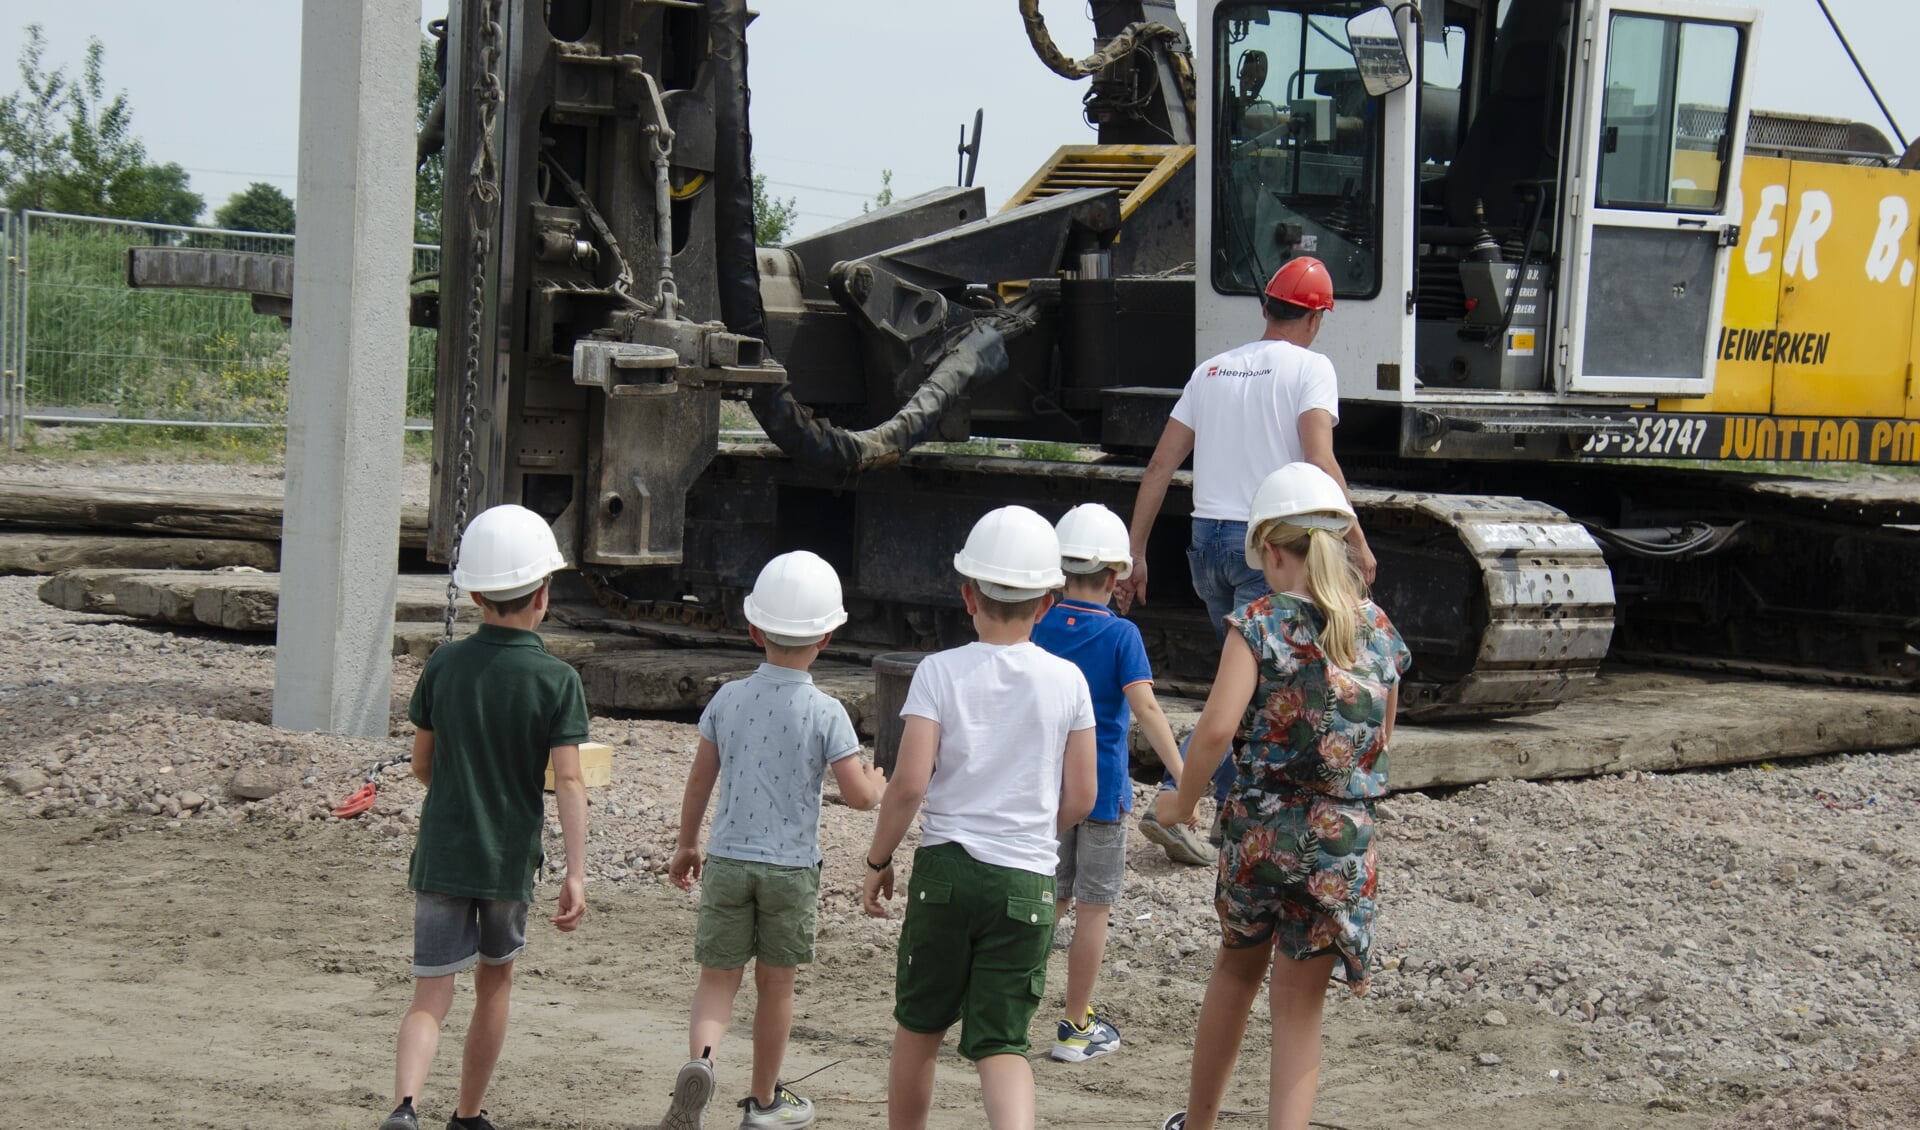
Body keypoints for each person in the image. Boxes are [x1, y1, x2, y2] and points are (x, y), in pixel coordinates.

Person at [1152, 464, 1410, 1130]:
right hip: (1343, 846)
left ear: (1271, 551)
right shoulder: (1378, 630)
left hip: (1261, 834)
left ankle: (1199, 1123)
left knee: (1236, 976)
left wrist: (1180, 804)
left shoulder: (1259, 623)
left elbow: (1213, 730)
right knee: (1300, 1013)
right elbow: (1381, 735)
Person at [1117, 256, 1376, 868]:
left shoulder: (1211, 371)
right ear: (1315, 318)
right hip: (1273, 543)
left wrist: (1136, 553)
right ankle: (1173, 801)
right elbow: (1321, 461)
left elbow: (1160, 467)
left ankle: (1233, 816)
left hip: (1206, 541)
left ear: (1266, 308)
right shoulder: (1311, 368)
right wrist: (1357, 539)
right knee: (1252, 690)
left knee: (1246, 680)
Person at [861, 505, 1098, 1130]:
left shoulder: (938, 672)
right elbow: (1082, 795)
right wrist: (1030, 832)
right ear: (1047, 603)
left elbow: (910, 784)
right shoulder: (1069, 681)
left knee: (920, 1026)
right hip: (1026, 879)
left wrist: (877, 859)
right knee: (1003, 1043)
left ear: (967, 594)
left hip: (945, 872)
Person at [378, 504, 590, 1130]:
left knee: (429, 993)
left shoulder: (444, 663)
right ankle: (467, 1116)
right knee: (494, 983)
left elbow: (423, 762)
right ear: (543, 595)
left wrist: (450, 794)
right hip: (507, 859)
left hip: (444, 852)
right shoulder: (558, 680)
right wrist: (576, 871)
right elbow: (570, 780)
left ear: (473, 592)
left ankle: (405, 1107)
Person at [662, 550, 889, 1130]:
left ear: (752, 628)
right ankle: (763, 1102)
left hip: (728, 860)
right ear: (829, 635)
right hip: (790, 868)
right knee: (775, 986)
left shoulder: (727, 699)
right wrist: (879, 784)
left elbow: (699, 779)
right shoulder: (827, 712)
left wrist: (688, 843)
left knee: (717, 979)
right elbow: (858, 796)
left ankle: (702, 1063)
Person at [1031, 502, 1189, 1064]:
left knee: (1045, 900)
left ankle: (1010, 1009)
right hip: (1099, 794)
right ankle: (1075, 1027)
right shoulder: (1122, 636)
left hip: (1045, 793)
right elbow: (1144, 708)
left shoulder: (1037, 624)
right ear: (1116, 574)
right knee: (1093, 908)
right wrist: (1182, 773)